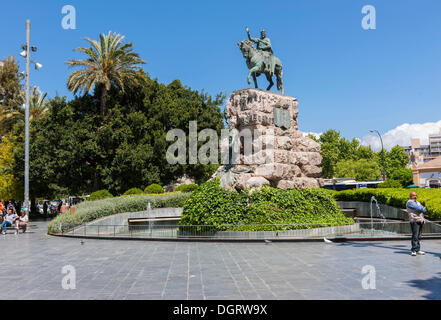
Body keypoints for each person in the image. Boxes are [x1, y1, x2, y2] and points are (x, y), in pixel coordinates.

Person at [406, 192, 428, 256]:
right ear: (410, 196)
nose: (415, 196)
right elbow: (419, 208)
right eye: (413, 195)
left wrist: (422, 209)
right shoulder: (409, 202)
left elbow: (424, 210)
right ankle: (413, 250)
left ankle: (418, 250)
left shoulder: (417, 202)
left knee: (419, 236)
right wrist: (422, 208)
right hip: (414, 220)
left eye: (416, 195)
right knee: (415, 235)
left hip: (420, 220)